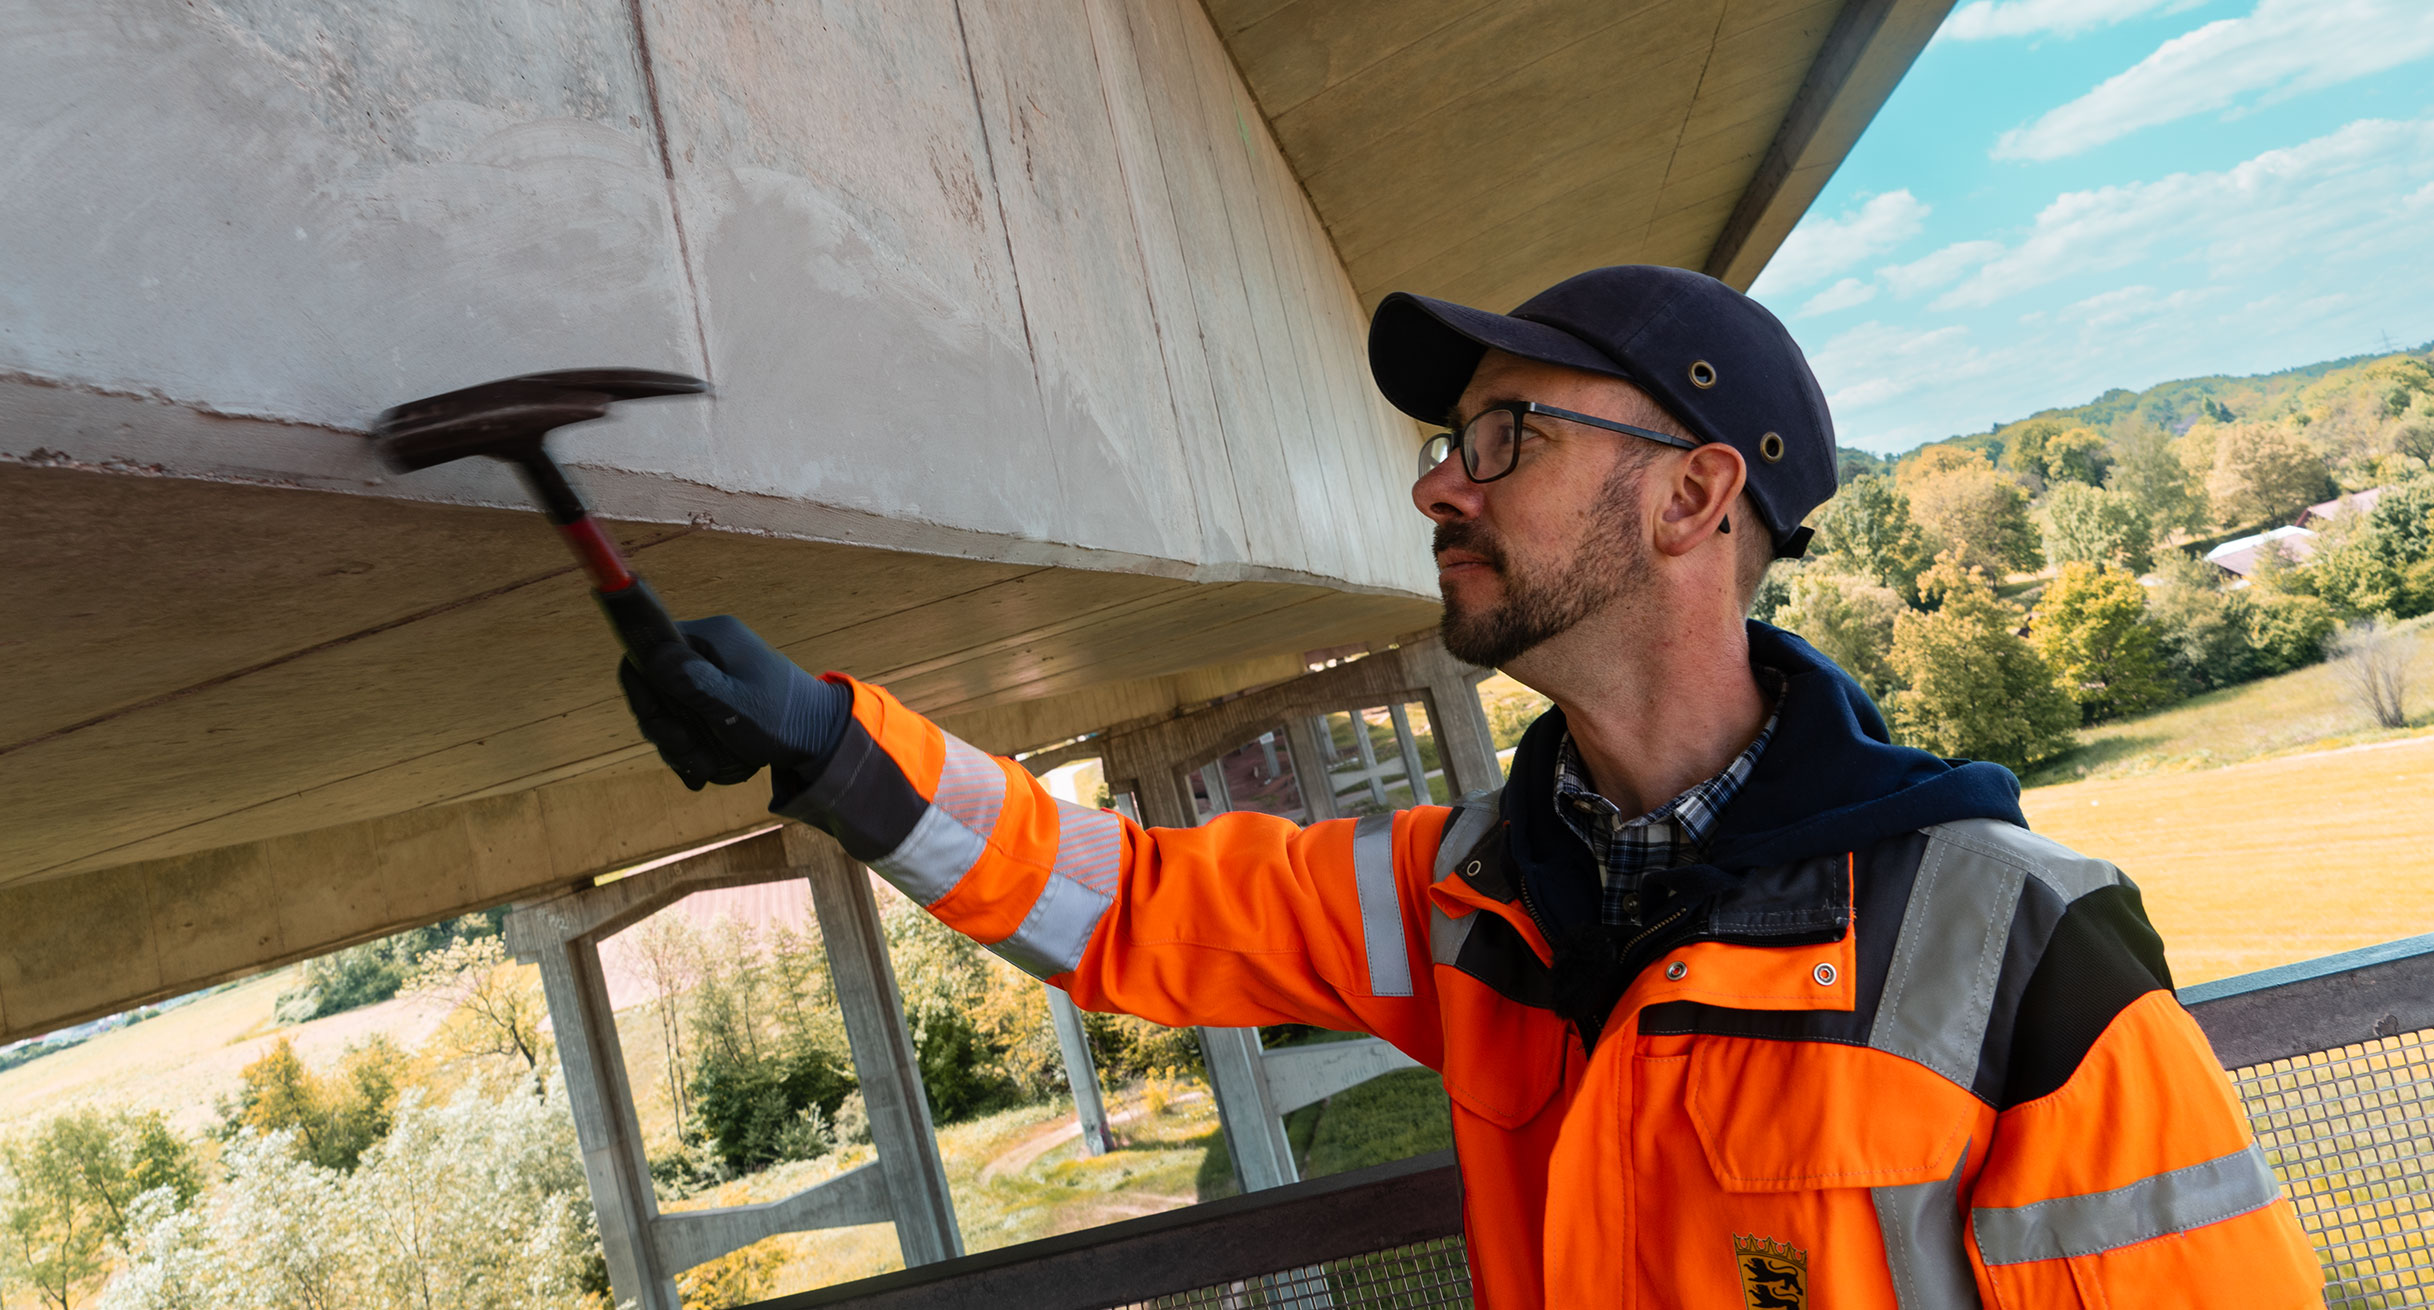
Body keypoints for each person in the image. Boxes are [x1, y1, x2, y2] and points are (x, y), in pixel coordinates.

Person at [619, 266, 2321, 1308]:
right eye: (1446, 443)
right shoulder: (1472, 894)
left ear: (1690, 498)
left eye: (1506, 435)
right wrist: (831, 750)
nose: (1440, 483)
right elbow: (1130, 905)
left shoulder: (2017, 952)